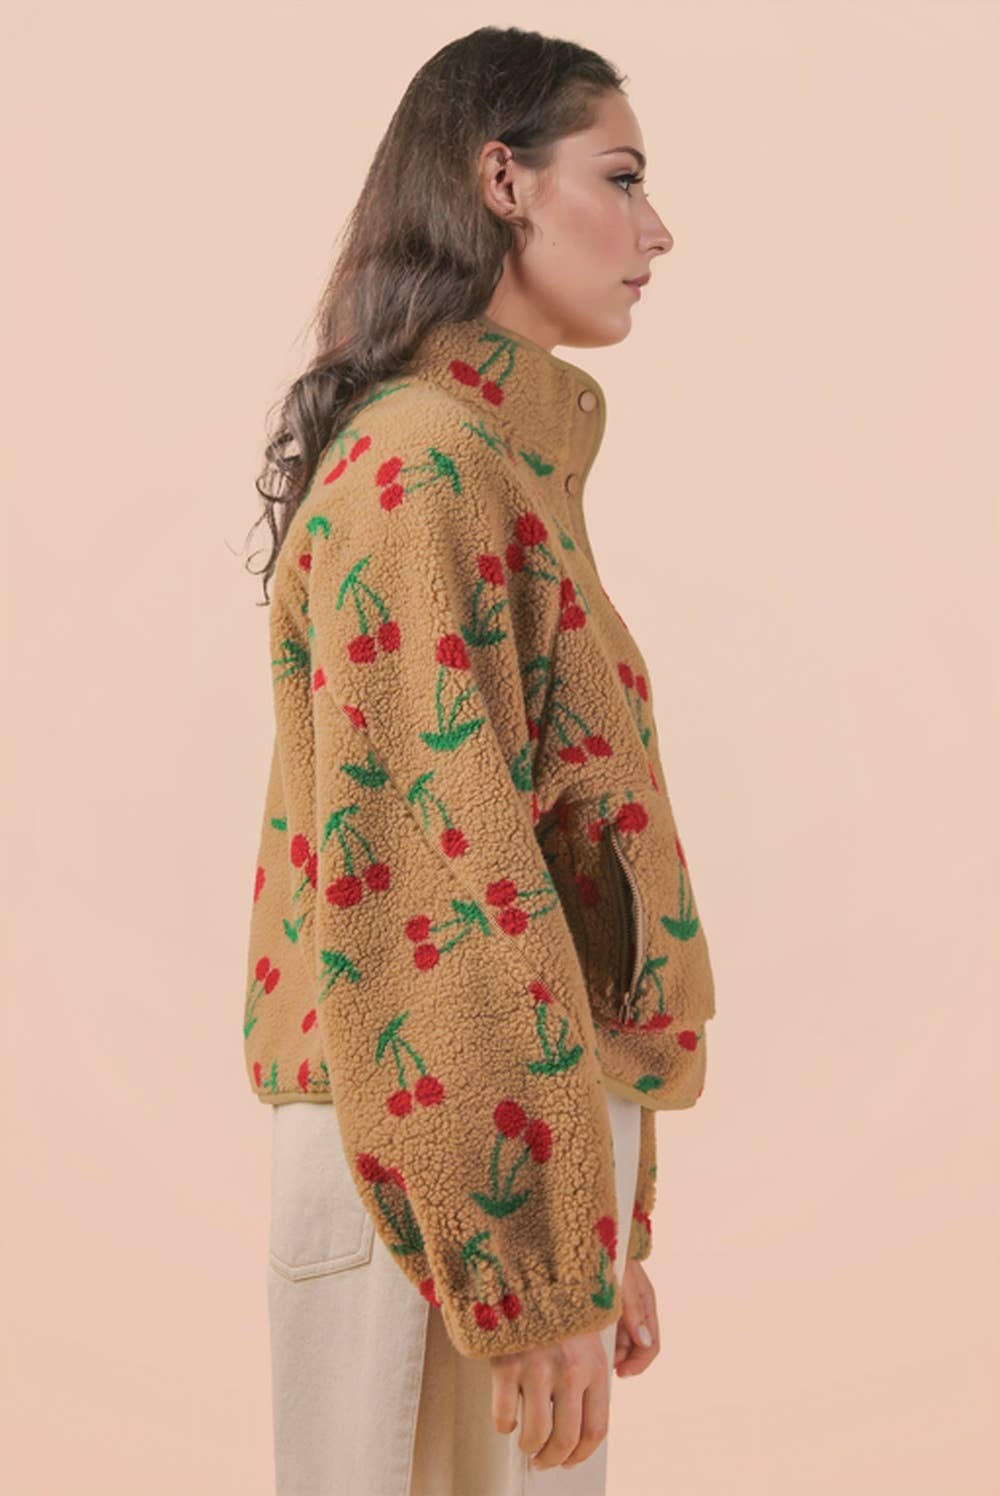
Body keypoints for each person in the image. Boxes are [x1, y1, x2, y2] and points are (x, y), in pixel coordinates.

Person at [241, 25, 716, 1495]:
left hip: (493, 1165)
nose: (656, 230)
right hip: (447, 1171)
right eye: (620, 177)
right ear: (502, 181)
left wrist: (594, 1232)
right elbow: (434, 892)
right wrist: (529, 1259)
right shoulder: (422, 468)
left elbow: (567, 880)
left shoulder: (495, 463)